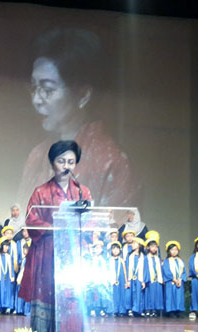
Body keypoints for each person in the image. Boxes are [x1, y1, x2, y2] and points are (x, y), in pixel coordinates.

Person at [17, 28, 139, 211]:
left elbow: (121, 225)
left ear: (83, 95)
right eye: (34, 88)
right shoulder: (37, 155)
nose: (36, 100)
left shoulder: (112, 162)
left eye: (48, 90)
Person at [19, 140, 92, 332]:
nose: (66, 166)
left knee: (72, 300)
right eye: (61, 161)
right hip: (47, 254)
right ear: (52, 163)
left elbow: (90, 221)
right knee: (46, 298)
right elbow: (31, 220)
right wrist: (54, 227)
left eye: (71, 162)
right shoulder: (40, 191)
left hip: (73, 256)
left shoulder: (82, 192)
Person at [0, 237, 15, 314]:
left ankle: (7, 307)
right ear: (0, 246)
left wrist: (12, 275)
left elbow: (11, 267)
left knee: (7, 291)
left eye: (8, 246)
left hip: (7, 277)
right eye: (5, 246)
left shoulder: (9, 256)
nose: (6, 248)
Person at [162, 241, 186, 317]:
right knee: (170, 296)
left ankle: (178, 311)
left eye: (176, 249)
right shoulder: (166, 261)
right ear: (168, 251)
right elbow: (166, 271)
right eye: (172, 250)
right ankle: (170, 311)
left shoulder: (180, 261)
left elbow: (184, 271)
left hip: (179, 281)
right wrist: (174, 279)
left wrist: (181, 279)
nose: (174, 251)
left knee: (179, 296)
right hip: (170, 282)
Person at [143, 236, 164, 318]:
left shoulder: (157, 258)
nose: (154, 248)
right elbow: (144, 269)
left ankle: (155, 310)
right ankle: (148, 310)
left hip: (157, 280)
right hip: (149, 280)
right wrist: (145, 279)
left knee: (156, 295)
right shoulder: (145, 258)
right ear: (148, 247)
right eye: (152, 246)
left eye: (155, 246)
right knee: (149, 295)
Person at [124, 237, 145, 317]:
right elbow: (126, 268)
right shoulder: (129, 256)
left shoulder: (143, 257)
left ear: (139, 245)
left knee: (139, 294)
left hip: (139, 278)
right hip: (131, 278)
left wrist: (143, 281)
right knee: (130, 294)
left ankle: (139, 310)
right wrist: (127, 280)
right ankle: (130, 309)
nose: (132, 245)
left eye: (134, 243)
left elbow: (145, 270)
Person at [108, 241, 126, 316]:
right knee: (114, 295)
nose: (115, 250)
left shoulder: (122, 261)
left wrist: (126, 281)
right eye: (113, 249)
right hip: (112, 279)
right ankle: (114, 310)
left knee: (121, 295)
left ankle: (121, 310)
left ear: (120, 250)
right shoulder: (109, 260)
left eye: (117, 249)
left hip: (121, 280)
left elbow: (125, 272)